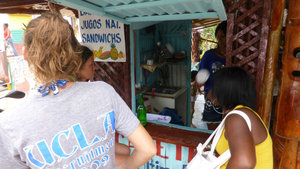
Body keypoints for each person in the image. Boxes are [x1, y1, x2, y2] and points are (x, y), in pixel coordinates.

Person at [0, 12, 156, 169]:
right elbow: (147, 149)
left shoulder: (9, 124)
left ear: (26, 53)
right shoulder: (103, 92)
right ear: (73, 53)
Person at [77, 45, 131, 167]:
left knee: (126, 150)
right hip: (84, 149)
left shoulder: (91, 88)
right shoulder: (79, 93)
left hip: (94, 141)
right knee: (126, 161)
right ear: (78, 68)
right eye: (91, 65)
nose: (95, 68)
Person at [211, 67, 273, 169]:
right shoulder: (243, 114)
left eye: (214, 87)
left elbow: (244, 162)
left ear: (225, 90)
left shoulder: (236, 118)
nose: (211, 91)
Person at [197, 21, 227, 128]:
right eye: (218, 37)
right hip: (212, 98)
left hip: (230, 98)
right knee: (212, 132)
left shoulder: (236, 55)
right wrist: (200, 80)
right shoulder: (209, 55)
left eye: (223, 36)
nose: (221, 40)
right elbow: (200, 80)